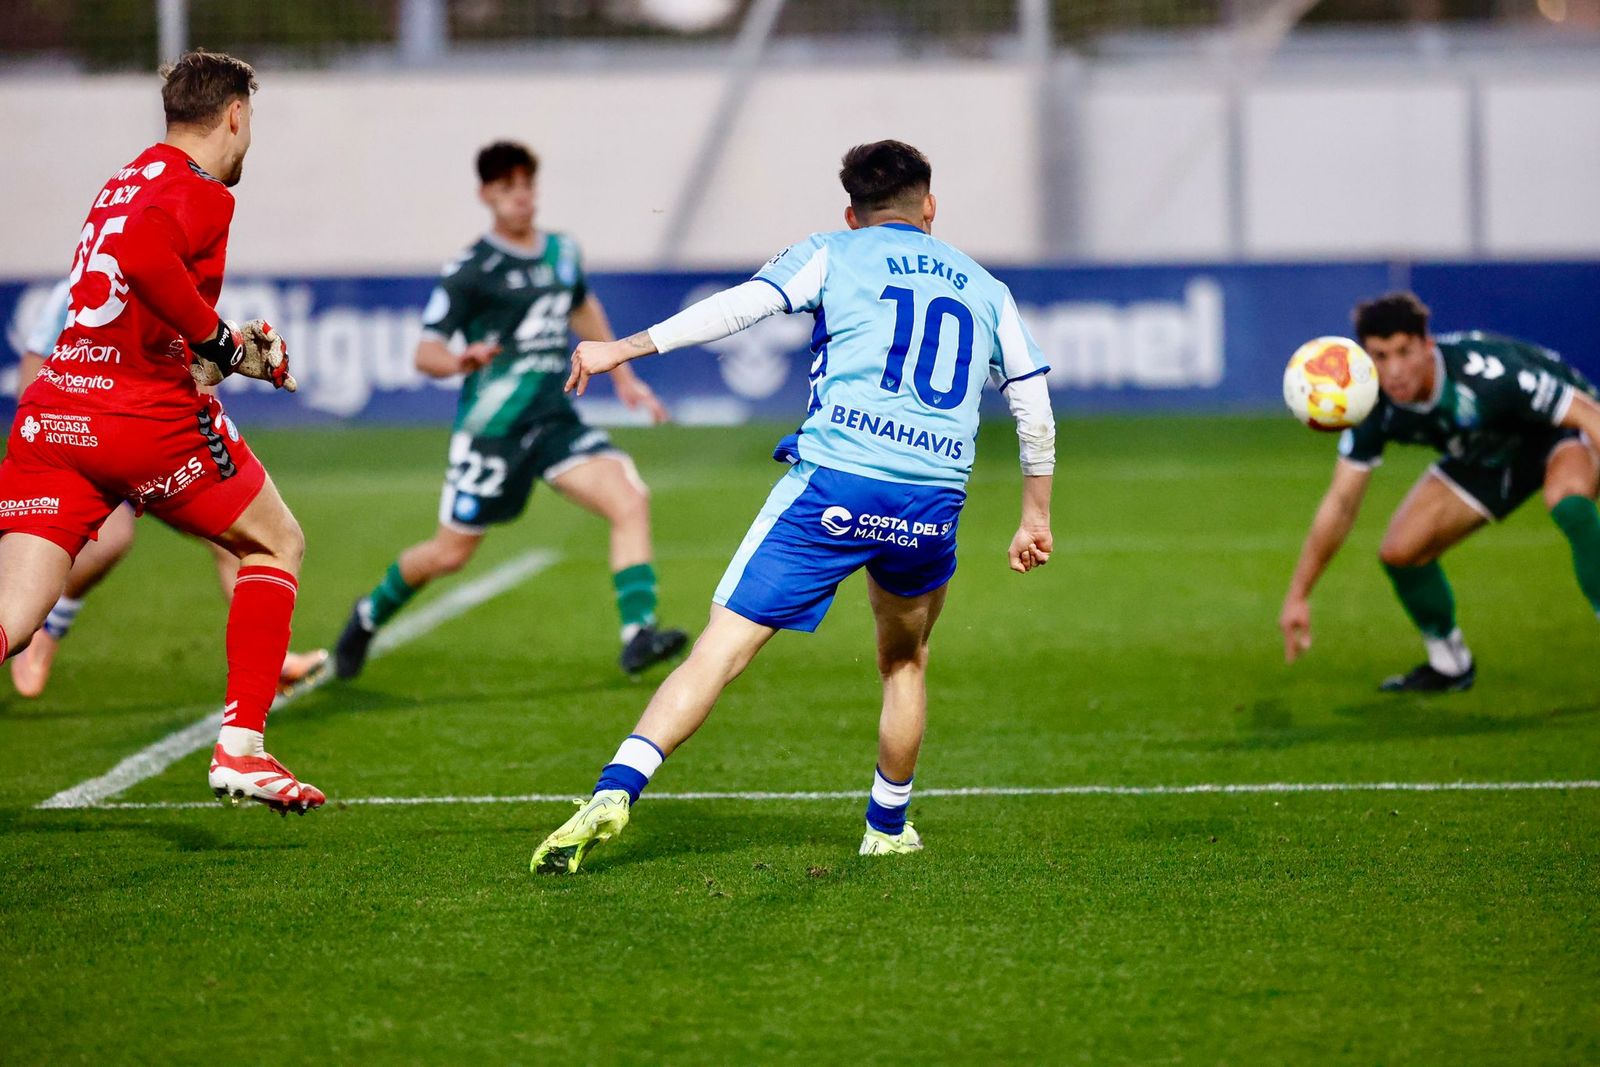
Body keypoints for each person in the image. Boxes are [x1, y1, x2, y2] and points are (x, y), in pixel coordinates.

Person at [531, 139, 1057, 874]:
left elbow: (739, 308)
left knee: (720, 648)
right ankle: (887, 827)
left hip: (835, 485)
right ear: (929, 205)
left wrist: (623, 347)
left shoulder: (831, 252)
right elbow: (1032, 407)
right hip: (930, 500)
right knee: (905, 661)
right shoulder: (986, 288)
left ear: (852, 212)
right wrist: (1035, 516)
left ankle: (616, 788)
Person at [0, 50, 323, 813]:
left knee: (14, 618)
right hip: (139, 415)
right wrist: (219, 342)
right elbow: (144, 256)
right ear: (234, 115)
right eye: (251, 120)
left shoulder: (127, 179)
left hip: (56, 410)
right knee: (276, 541)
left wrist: (217, 349)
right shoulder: (199, 187)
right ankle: (242, 749)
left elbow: (128, 292)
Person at [331, 141, 687, 680]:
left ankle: (638, 634)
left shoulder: (562, 251)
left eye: (526, 185)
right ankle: (367, 614)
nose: (521, 197)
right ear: (485, 194)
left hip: (553, 420)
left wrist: (624, 376)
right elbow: (425, 353)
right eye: (507, 188)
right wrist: (460, 360)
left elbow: (581, 305)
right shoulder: (472, 269)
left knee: (629, 497)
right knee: (449, 555)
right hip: (492, 430)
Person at [7, 280, 326, 698]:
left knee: (239, 539)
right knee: (109, 542)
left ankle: (272, 660)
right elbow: (35, 363)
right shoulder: (85, 285)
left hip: (155, 443)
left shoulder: (174, 287)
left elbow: (198, 367)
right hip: (85, 439)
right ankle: (48, 629)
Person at [1280, 291, 1600, 691]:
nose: (1395, 370)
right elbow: (1342, 502)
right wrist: (1298, 594)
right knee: (1401, 552)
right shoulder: (1371, 405)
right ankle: (1450, 664)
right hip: (1486, 453)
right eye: (1380, 356)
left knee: (1569, 503)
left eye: (1404, 352)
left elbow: (1589, 414)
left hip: (1560, 432)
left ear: (1427, 345)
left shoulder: (1486, 374)